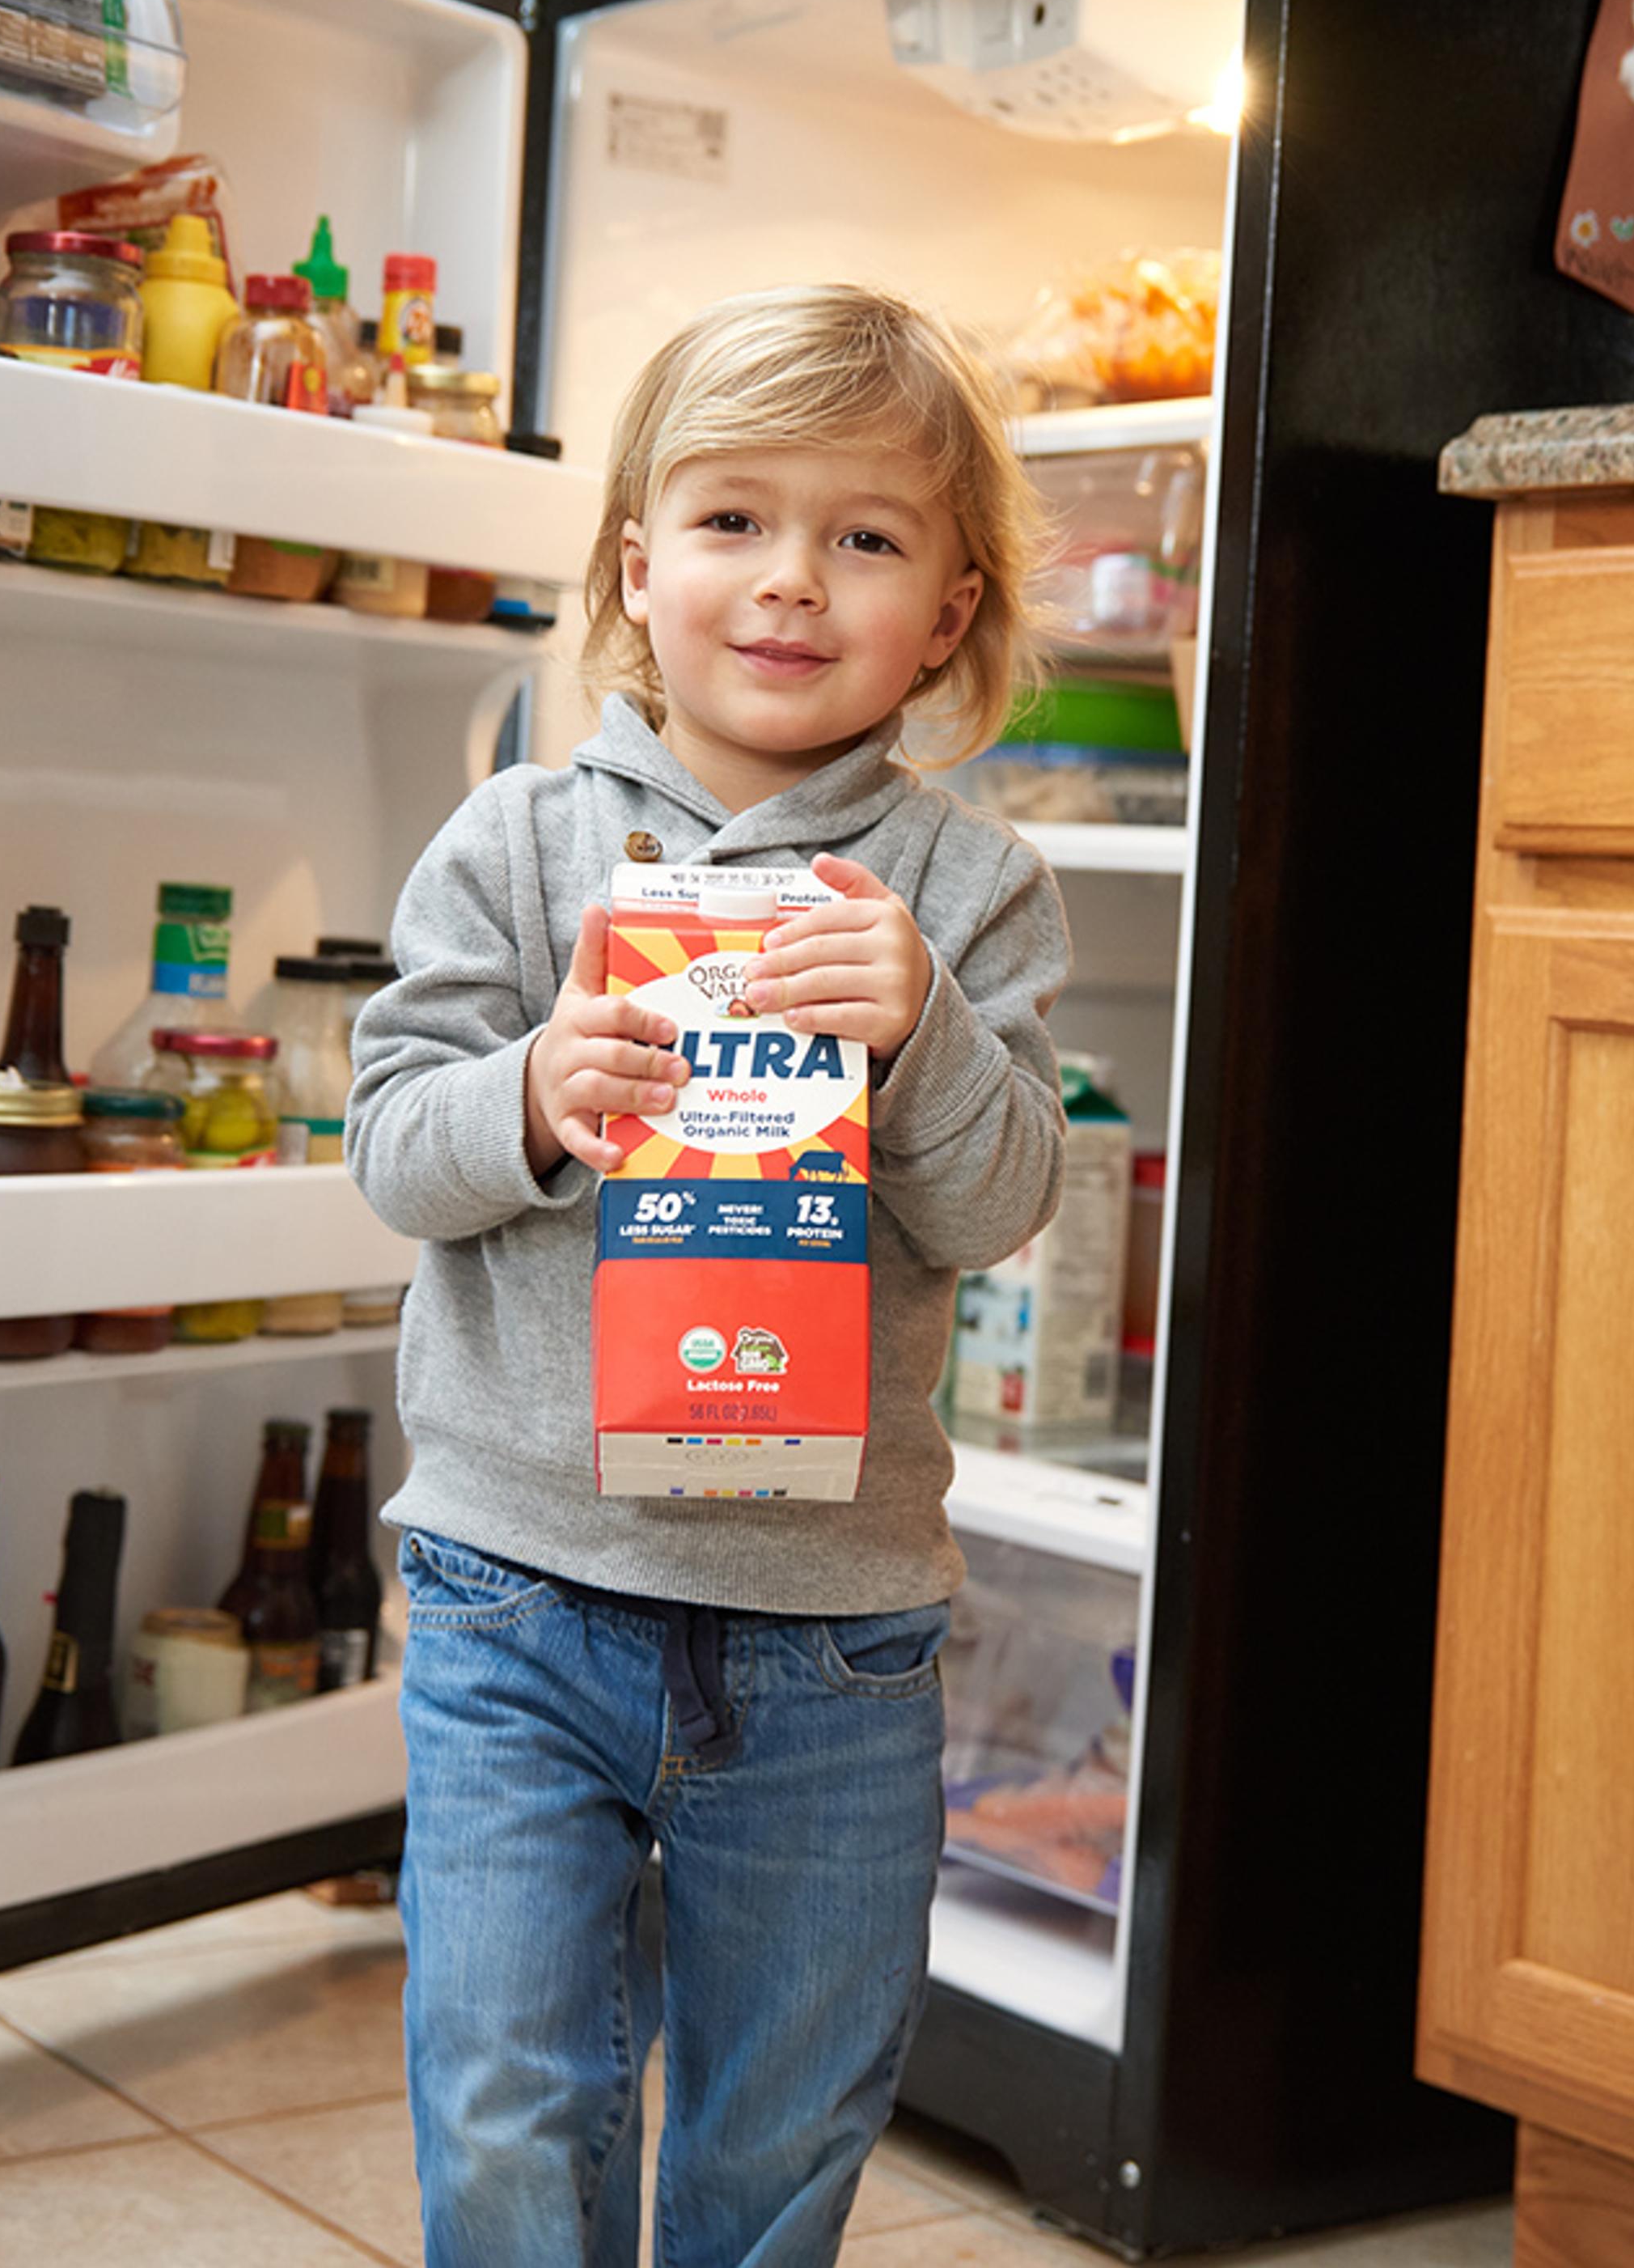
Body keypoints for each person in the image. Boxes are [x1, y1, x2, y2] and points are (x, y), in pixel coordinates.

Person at [346, 282, 1073, 2266]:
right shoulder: (516, 846)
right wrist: (531, 1093)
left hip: (829, 1630)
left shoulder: (963, 889)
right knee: (506, 2099)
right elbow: (390, 1151)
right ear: (637, 563)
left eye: (866, 537)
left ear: (946, 610)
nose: (790, 583)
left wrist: (923, 1040)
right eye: (736, 519)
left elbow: (1001, 1204)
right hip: (521, 1599)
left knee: (780, 2137)